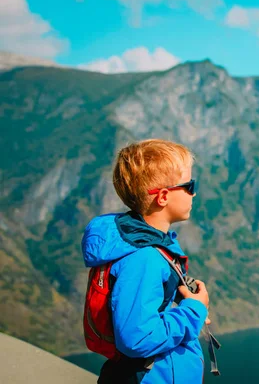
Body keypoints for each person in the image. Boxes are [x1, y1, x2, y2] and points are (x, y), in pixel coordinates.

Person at [81, 138, 210, 383]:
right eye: (190, 185)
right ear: (163, 197)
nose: (194, 192)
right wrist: (193, 311)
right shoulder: (144, 257)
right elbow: (137, 338)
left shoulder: (145, 245)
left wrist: (182, 306)